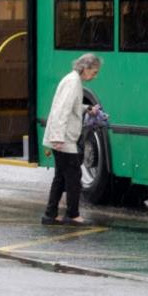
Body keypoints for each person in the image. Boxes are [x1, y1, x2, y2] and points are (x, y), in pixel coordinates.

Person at [42, 53, 102, 226]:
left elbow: (71, 106)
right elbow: (62, 110)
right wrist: (58, 137)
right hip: (64, 139)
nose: (95, 76)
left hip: (62, 137)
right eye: (94, 72)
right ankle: (72, 215)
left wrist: (87, 108)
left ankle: (50, 214)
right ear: (86, 68)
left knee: (60, 177)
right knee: (74, 176)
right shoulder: (73, 83)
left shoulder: (72, 80)